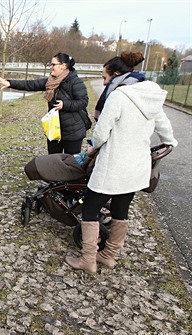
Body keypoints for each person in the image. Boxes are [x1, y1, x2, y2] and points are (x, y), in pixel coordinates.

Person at [65, 51, 178, 274]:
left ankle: (88, 260)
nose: (104, 83)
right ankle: (108, 256)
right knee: (121, 209)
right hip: (137, 167)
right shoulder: (151, 96)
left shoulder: (119, 96)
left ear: (117, 75)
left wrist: (93, 147)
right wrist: (170, 143)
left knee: (89, 208)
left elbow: (101, 133)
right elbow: (164, 129)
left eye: (105, 78)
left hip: (113, 165)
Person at [0, 53, 89, 154]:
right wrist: (10, 83)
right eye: (51, 65)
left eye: (53, 64)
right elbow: (31, 84)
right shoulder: (50, 82)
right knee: (53, 160)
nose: (51, 67)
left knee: (71, 163)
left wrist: (65, 104)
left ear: (63, 66)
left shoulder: (75, 82)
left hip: (73, 131)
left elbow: (83, 102)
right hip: (54, 128)